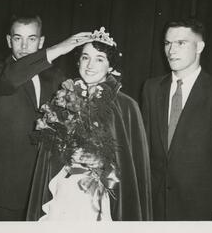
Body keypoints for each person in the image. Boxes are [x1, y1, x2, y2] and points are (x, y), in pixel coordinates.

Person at [0, 14, 94, 221]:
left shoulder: (56, 77)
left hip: (42, 190)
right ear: (8, 41)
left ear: (41, 41)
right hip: (1, 192)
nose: (23, 45)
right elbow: (10, 79)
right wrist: (58, 49)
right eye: (17, 38)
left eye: (31, 39)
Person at [26, 27, 153, 221]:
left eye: (99, 59)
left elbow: (130, 167)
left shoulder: (126, 106)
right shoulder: (61, 100)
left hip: (100, 196)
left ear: (110, 66)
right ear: (78, 61)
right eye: (85, 57)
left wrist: (103, 165)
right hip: (64, 190)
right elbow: (48, 156)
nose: (90, 65)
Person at [141, 19, 212, 220]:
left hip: (201, 210)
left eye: (181, 43)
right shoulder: (151, 88)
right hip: (155, 207)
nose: (171, 50)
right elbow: (144, 149)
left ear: (199, 47)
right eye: (167, 43)